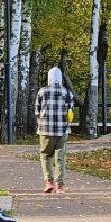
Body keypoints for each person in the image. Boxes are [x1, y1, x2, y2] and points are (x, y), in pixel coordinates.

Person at [35, 66, 75, 194]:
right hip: (62, 130)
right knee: (60, 157)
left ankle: (49, 182)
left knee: (45, 155)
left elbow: (37, 110)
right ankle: (60, 186)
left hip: (45, 129)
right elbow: (70, 111)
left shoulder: (42, 92)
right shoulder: (68, 93)